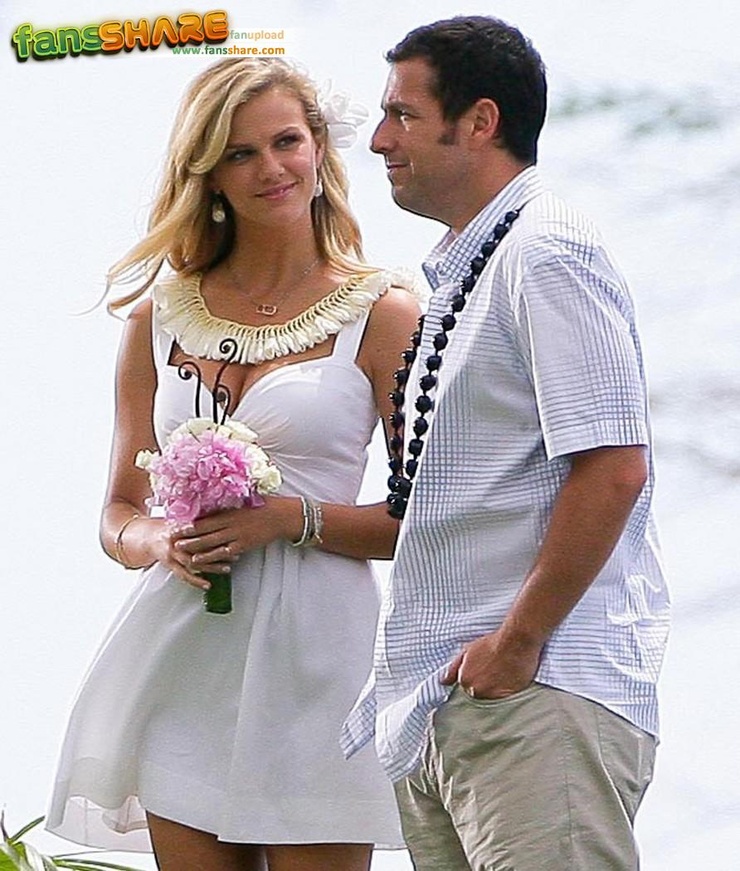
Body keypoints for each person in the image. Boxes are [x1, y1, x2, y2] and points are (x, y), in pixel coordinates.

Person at [47, 56, 420, 871]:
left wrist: (289, 518)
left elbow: (422, 521)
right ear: (209, 176)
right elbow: (117, 513)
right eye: (239, 153)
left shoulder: (384, 313)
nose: (270, 168)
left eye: (285, 142)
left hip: (318, 661)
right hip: (183, 652)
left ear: (319, 147)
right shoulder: (158, 315)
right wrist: (158, 540)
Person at [341, 16, 670, 871]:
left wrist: (519, 640)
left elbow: (614, 465)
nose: (379, 141)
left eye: (403, 115)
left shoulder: (545, 251)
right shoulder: (469, 267)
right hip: (452, 706)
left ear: (480, 122)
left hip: (534, 693)